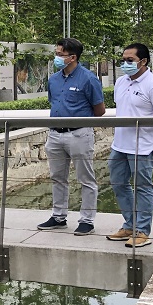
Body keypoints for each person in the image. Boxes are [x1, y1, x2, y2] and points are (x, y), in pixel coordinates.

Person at [38, 38, 106, 236]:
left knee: (86, 178)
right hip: (55, 134)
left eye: (60, 54)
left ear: (73, 57)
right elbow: (54, 102)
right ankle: (59, 217)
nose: (57, 57)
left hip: (79, 134)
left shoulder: (88, 79)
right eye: (56, 53)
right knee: (57, 177)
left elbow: (99, 110)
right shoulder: (54, 79)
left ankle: (87, 220)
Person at [106, 42, 153, 248]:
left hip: (142, 147)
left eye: (130, 60)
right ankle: (130, 225)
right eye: (123, 60)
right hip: (119, 145)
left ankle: (143, 231)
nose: (125, 63)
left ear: (143, 61)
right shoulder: (121, 82)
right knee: (118, 183)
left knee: (143, 187)